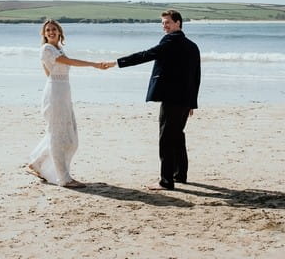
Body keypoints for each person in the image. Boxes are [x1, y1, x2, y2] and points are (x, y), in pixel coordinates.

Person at [105, 10, 200, 191]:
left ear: (178, 23)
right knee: (177, 136)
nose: (164, 26)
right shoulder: (192, 46)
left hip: (172, 99)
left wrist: (117, 62)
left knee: (166, 139)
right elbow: (195, 77)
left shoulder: (171, 41)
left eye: (168, 23)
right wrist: (191, 102)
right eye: (163, 23)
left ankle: (166, 181)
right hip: (184, 99)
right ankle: (179, 175)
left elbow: (146, 55)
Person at [26, 19, 108, 188]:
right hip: (55, 94)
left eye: (54, 29)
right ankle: (64, 178)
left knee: (66, 136)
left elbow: (51, 72)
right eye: (47, 30)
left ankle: (36, 163)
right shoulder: (47, 49)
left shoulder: (58, 49)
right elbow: (68, 63)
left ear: (60, 32)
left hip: (62, 93)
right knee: (58, 136)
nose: (51, 32)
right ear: (44, 34)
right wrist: (94, 65)